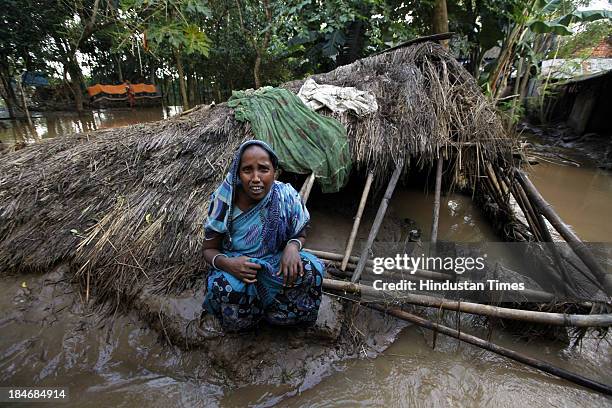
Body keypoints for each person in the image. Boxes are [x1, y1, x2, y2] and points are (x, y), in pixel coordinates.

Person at [202, 140, 325, 331]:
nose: (256, 178)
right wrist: (229, 265)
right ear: (237, 173)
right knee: (224, 287)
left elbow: (301, 233)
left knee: (312, 269)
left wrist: (292, 247)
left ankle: (281, 317)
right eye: (247, 170)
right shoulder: (224, 200)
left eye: (263, 169)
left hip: (275, 264)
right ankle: (245, 324)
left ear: (274, 171)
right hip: (240, 267)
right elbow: (209, 249)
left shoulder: (285, 195)